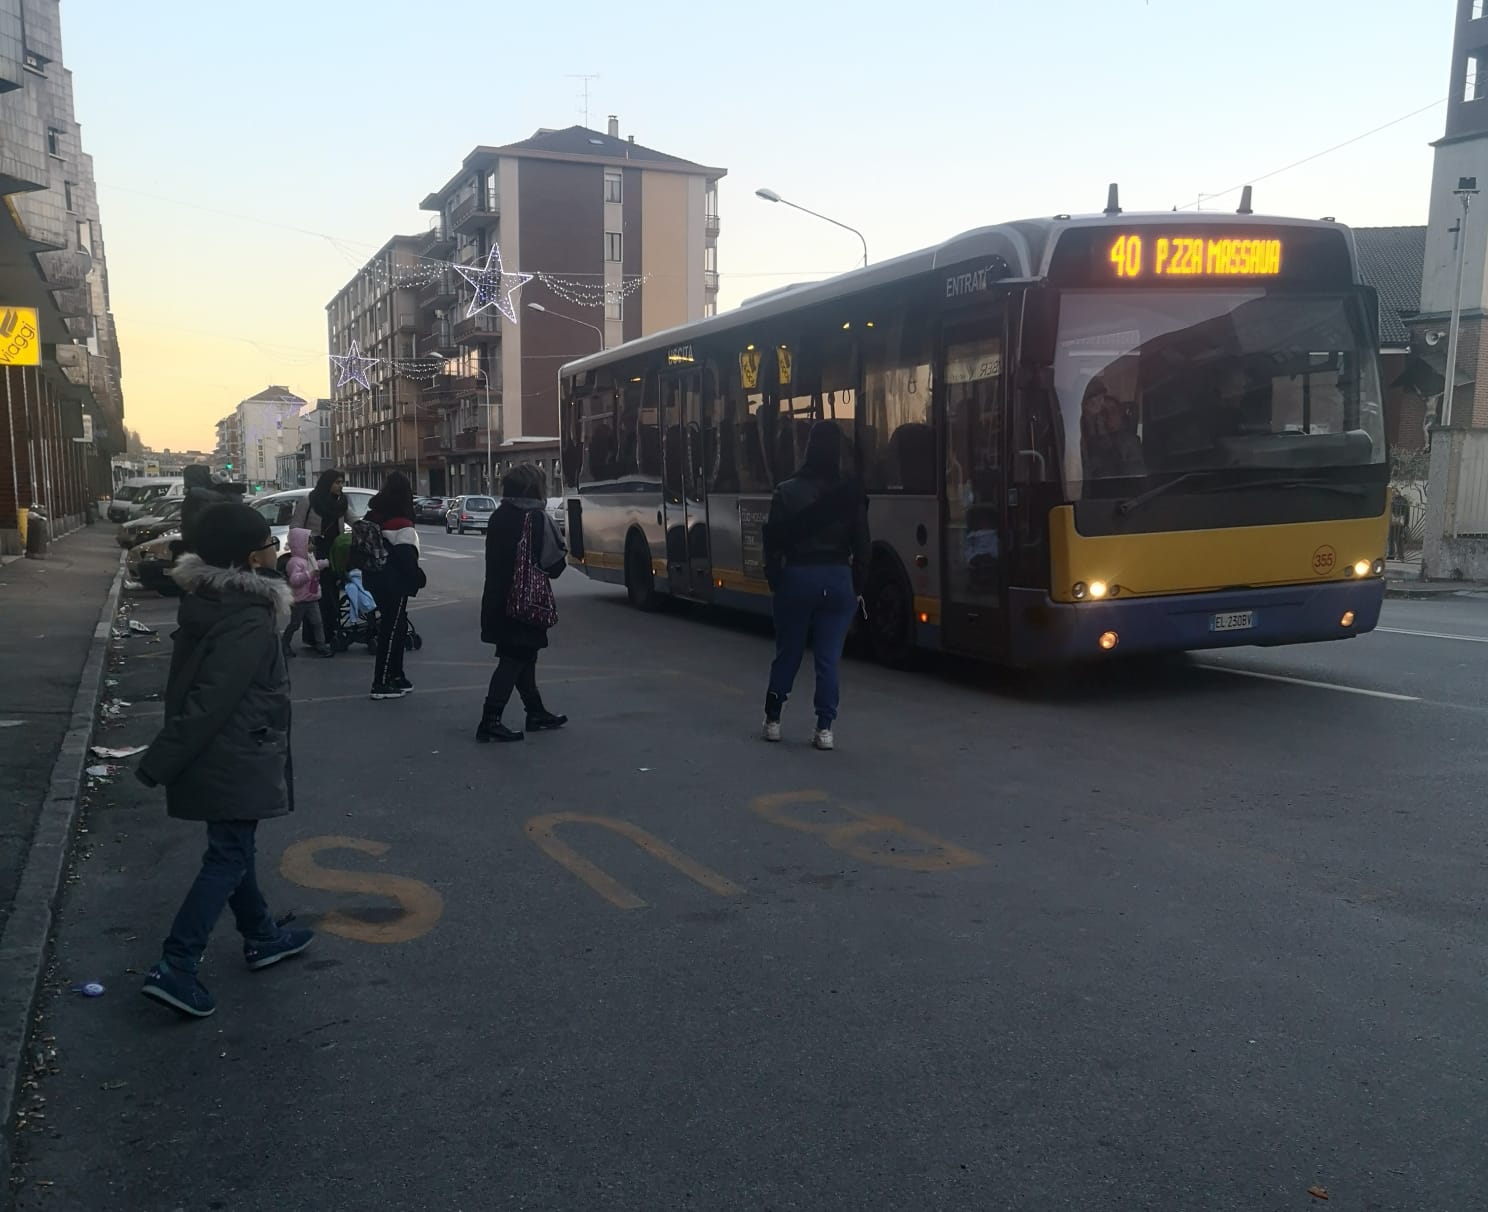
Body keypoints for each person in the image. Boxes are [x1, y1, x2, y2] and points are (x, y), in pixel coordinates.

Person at [135, 502, 314, 1018]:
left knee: (235, 847)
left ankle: (260, 935)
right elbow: (212, 699)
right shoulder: (248, 617)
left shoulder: (216, 600)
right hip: (237, 750)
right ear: (249, 557)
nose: (275, 547)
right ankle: (177, 962)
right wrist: (162, 759)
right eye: (267, 542)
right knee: (229, 855)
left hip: (230, 750)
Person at [761, 421, 870, 751]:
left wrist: (777, 580)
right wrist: (857, 587)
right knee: (828, 658)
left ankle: (774, 719)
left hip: (798, 576)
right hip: (838, 580)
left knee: (789, 651)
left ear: (807, 448)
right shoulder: (852, 492)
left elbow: (773, 543)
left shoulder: (786, 490)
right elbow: (863, 546)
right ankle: (825, 729)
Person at [476, 462, 568, 743]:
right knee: (514, 659)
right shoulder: (536, 518)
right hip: (525, 603)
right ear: (535, 488)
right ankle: (490, 720)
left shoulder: (499, 515)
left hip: (498, 600)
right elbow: (555, 566)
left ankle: (536, 712)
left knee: (523, 657)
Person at [363, 471, 425, 700]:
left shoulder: (374, 514)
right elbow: (406, 557)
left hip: (375, 577)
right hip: (394, 582)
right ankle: (381, 682)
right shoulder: (401, 522)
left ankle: (397, 675)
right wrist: (418, 578)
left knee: (397, 627)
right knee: (391, 630)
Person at [292, 469, 353, 651]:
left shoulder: (341, 502)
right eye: (337, 482)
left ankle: (330, 632)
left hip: (335, 552)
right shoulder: (310, 501)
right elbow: (296, 525)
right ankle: (316, 637)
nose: (340, 486)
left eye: (342, 482)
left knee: (332, 593)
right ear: (327, 483)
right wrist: (306, 542)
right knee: (317, 594)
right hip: (315, 552)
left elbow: (353, 519)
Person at [283, 527, 331, 657]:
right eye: (309, 543)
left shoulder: (309, 558)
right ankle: (284, 644)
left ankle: (321, 645)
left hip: (312, 596)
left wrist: (324, 563)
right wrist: (309, 575)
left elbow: (315, 565)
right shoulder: (295, 562)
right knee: (295, 624)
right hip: (300, 600)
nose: (312, 546)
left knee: (317, 622)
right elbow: (294, 580)